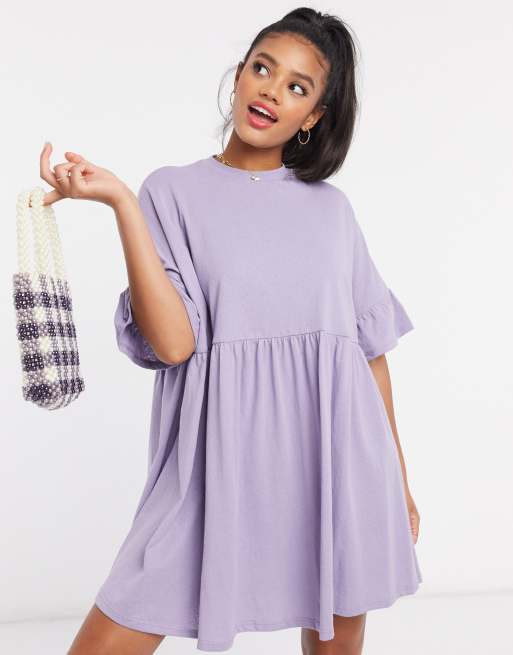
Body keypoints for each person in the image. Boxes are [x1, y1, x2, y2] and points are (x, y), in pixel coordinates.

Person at [40, 8, 422, 654]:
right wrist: (123, 203)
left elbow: (369, 355)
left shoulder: (332, 211)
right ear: (240, 74)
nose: (271, 91)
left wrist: (400, 482)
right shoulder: (171, 192)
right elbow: (174, 343)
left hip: (338, 467)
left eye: (297, 87)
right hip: (210, 467)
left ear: (314, 116)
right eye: (263, 69)